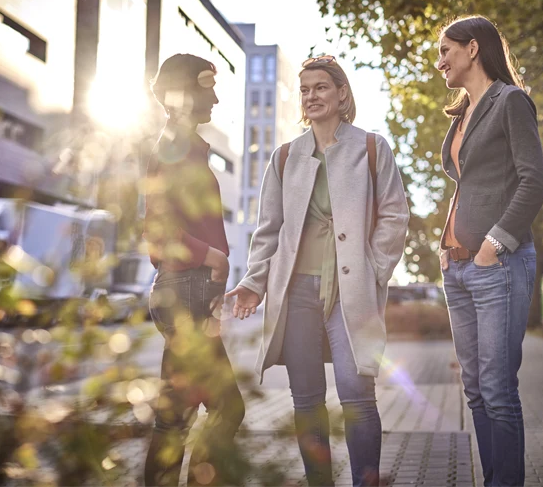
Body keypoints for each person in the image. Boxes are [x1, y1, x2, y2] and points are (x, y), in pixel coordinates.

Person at [226, 55, 409, 487]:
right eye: (305, 89)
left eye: (321, 87)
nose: (312, 96)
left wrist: (374, 269)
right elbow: (268, 229)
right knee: (306, 400)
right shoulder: (285, 156)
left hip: (351, 291)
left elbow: (395, 217)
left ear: (342, 93)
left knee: (358, 394)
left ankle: (366, 481)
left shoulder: (371, 147)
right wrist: (255, 283)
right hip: (297, 292)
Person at [435, 16, 543, 487]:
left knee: (499, 392)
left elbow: (535, 183)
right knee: (477, 391)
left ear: (474, 48)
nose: (439, 60)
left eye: (446, 50)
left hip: (498, 265)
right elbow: (469, 185)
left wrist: (493, 244)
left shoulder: (510, 102)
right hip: (457, 270)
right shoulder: (463, 113)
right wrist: (446, 246)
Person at [142, 53, 245, 487]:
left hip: (189, 290)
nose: (217, 98)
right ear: (184, 92)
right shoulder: (173, 147)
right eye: (208, 86)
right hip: (185, 289)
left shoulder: (187, 147)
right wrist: (213, 258)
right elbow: (159, 230)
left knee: (176, 413)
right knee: (221, 408)